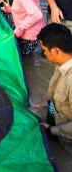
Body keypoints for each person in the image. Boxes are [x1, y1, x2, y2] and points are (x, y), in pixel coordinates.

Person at [38, 23, 72, 153]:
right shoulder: (62, 64)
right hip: (56, 119)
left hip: (66, 137)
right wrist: (46, 106)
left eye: (45, 51)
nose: (45, 54)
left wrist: (51, 130)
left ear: (55, 51)